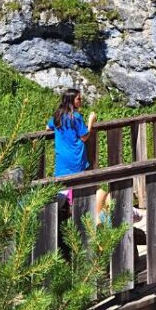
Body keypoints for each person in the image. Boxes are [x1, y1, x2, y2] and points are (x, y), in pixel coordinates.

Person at [47, 88, 105, 218]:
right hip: (75, 154)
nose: (81, 101)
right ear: (71, 101)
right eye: (78, 99)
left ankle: (63, 212)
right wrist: (91, 121)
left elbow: (47, 127)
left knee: (63, 184)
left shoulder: (57, 115)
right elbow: (84, 136)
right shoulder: (76, 116)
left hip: (61, 156)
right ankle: (78, 212)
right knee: (77, 184)